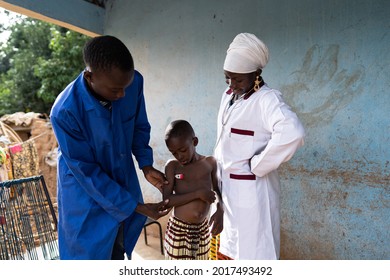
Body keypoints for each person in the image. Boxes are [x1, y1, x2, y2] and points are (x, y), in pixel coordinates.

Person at [50, 35, 170, 260]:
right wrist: (137, 206)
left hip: (122, 183)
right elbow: (87, 172)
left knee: (118, 248)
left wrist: (146, 165)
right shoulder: (65, 111)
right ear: (89, 76)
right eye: (115, 90)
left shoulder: (132, 82)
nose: (122, 95)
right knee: (89, 256)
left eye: (125, 87)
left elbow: (138, 126)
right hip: (85, 196)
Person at [213, 33, 305, 260]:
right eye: (228, 78)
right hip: (227, 191)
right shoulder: (228, 96)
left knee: (253, 253)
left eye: (238, 80)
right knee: (228, 248)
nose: (232, 85)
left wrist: (258, 165)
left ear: (256, 74)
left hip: (252, 195)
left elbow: (293, 132)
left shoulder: (267, 100)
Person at [163, 120, 223, 260]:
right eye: (174, 153)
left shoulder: (210, 163)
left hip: (202, 230)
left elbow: (218, 191)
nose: (179, 156)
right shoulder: (173, 167)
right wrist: (197, 194)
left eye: (182, 150)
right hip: (179, 230)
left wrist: (220, 209)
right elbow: (167, 200)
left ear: (194, 141)